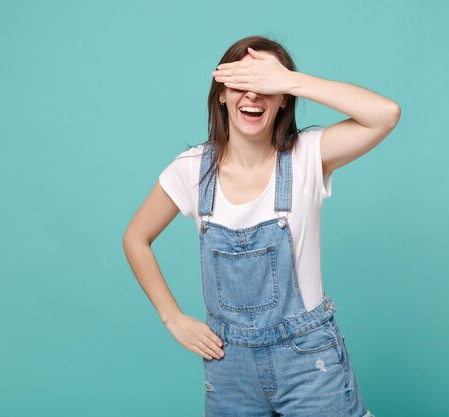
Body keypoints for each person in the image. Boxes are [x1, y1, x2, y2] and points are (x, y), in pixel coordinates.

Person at [123, 35, 400, 417]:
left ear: (282, 97)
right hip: (229, 368)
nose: (253, 95)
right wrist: (172, 317)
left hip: (308, 362)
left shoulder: (306, 157)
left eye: (265, 84)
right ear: (221, 93)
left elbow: (385, 113)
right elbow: (136, 238)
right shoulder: (191, 170)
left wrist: (289, 79)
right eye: (241, 83)